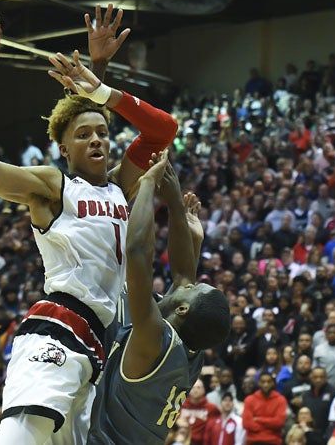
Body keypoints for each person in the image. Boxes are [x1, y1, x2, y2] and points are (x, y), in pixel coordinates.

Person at [0, 4, 176, 444]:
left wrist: (102, 84)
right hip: (56, 332)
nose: (96, 139)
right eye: (83, 135)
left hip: (97, 347)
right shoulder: (54, 187)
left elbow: (162, 130)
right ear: (63, 149)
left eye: (103, 133)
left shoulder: (117, 188)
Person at [86, 156, 230, 444]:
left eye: (193, 286)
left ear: (183, 308)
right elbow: (182, 273)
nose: (189, 280)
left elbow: (137, 250)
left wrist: (149, 185)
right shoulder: (191, 352)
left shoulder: (154, 340)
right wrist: (176, 206)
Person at [241, 372, 288, 445]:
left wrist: (258, 419)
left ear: (273, 383)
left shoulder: (281, 400)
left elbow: (279, 422)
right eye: (263, 382)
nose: (266, 385)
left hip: (273, 442)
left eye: (269, 382)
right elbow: (247, 424)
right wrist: (269, 427)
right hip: (253, 442)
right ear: (258, 383)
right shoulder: (249, 400)